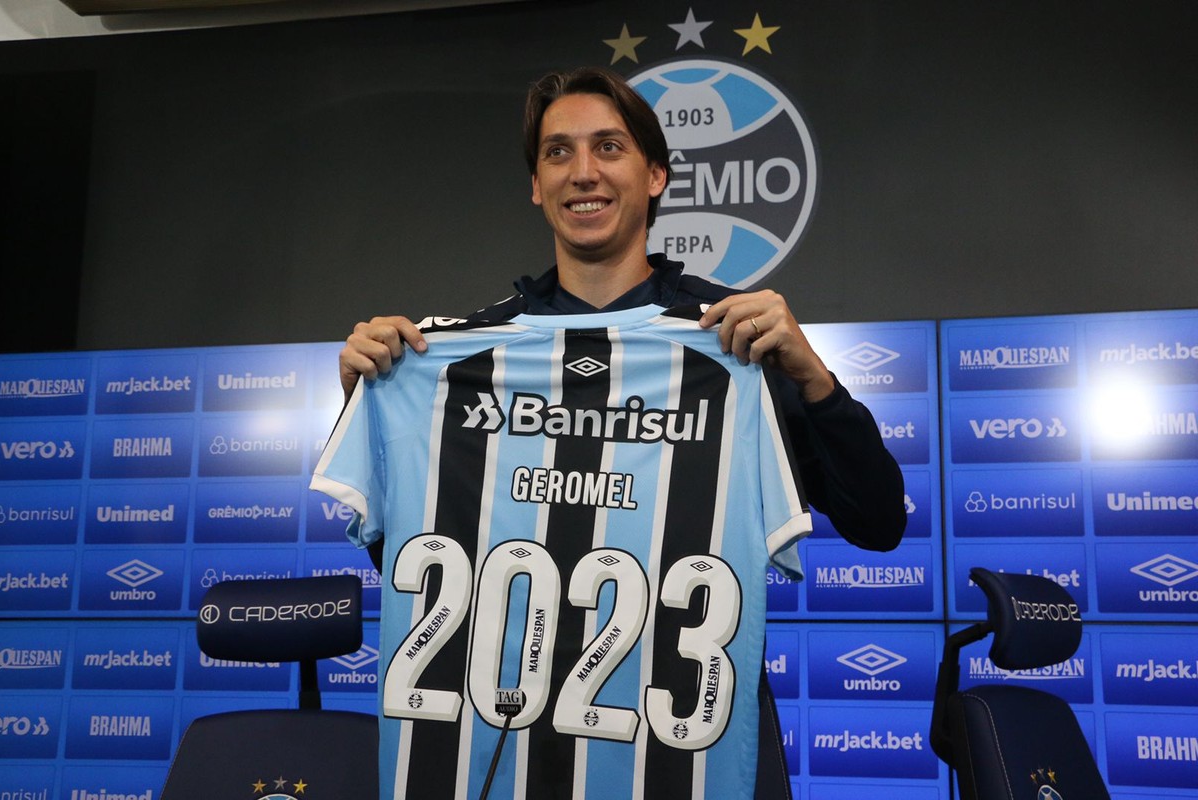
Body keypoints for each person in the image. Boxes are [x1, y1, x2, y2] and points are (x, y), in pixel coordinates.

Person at [335, 66, 906, 798]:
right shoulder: (453, 358)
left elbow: (878, 522)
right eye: (558, 152)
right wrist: (373, 403)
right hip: (505, 755)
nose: (583, 172)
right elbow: (411, 561)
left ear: (656, 174)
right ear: (536, 186)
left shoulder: (735, 345)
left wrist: (815, 380)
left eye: (608, 147)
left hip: (688, 756)